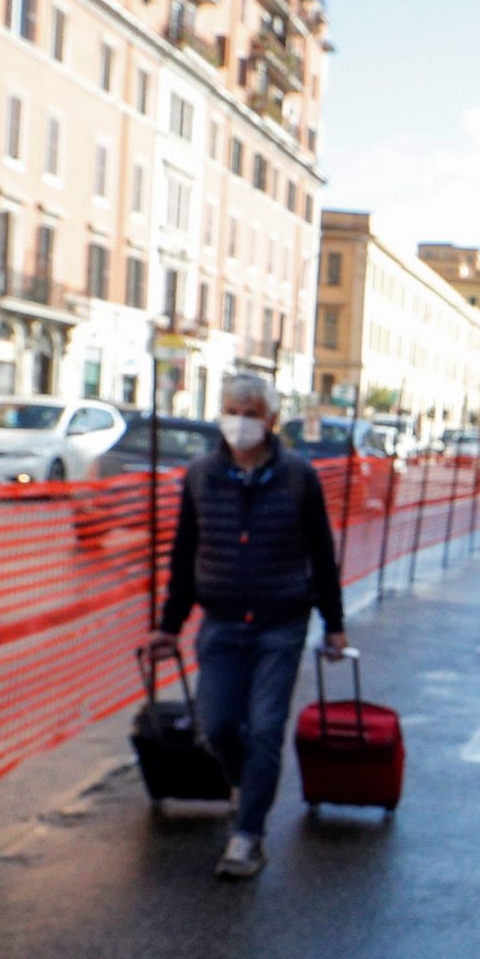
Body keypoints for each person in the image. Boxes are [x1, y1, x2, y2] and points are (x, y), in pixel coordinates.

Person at [148, 373, 347, 880]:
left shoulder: (300, 477)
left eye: (251, 412)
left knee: (263, 729)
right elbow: (184, 554)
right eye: (232, 410)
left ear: (271, 419)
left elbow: (322, 555)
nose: (240, 422)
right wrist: (169, 625)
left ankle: (248, 835)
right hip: (221, 623)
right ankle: (243, 785)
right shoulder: (200, 476)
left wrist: (334, 624)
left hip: (281, 623)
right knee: (215, 726)